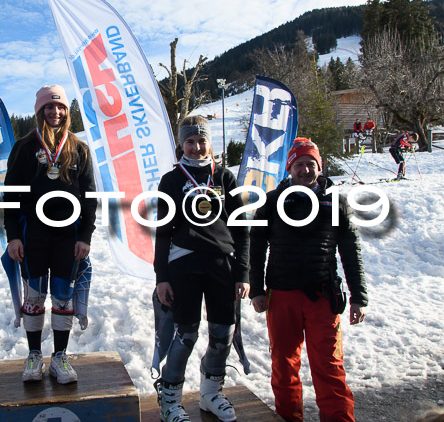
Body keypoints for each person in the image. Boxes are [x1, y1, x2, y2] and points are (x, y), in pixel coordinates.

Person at [249, 137, 368, 422]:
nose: (305, 170)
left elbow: (351, 250)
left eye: (310, 164)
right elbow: (256, 247)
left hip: (323, 296)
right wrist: (256, 289)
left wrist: (359, 297)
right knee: (283, 366)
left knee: (329, 367)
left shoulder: (336, 203)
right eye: (299, 164)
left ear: (319, 167)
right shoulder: (272, 202)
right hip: (281, 295)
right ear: (289, 168)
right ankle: (287, 417)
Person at [153, 115, 249, 422]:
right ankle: (169, 400)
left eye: (202, 140)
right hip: (184, 264)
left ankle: (210, 393)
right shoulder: (171, 180)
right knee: (186, 335)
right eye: (190, 142)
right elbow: (162, 232)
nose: (197, 147)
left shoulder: (224, 177)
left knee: (223, 333)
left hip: (221, 263)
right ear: (182, 144)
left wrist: (243, 273)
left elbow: (241, 229)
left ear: (211, 143)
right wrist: (161, 278)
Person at [4, 85, 96, 385]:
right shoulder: (24, 146)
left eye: (60, 108)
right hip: (33, 234)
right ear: (39, 110)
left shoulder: (79, 149)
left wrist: (85, 236)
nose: (54, 112)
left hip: (68, 236)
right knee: (34, 296)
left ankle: (59, 356)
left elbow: (90, 198)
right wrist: (13, 235)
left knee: (62, 295)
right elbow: (10, 197)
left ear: (66, 112)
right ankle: (33, 355)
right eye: (48, 107)